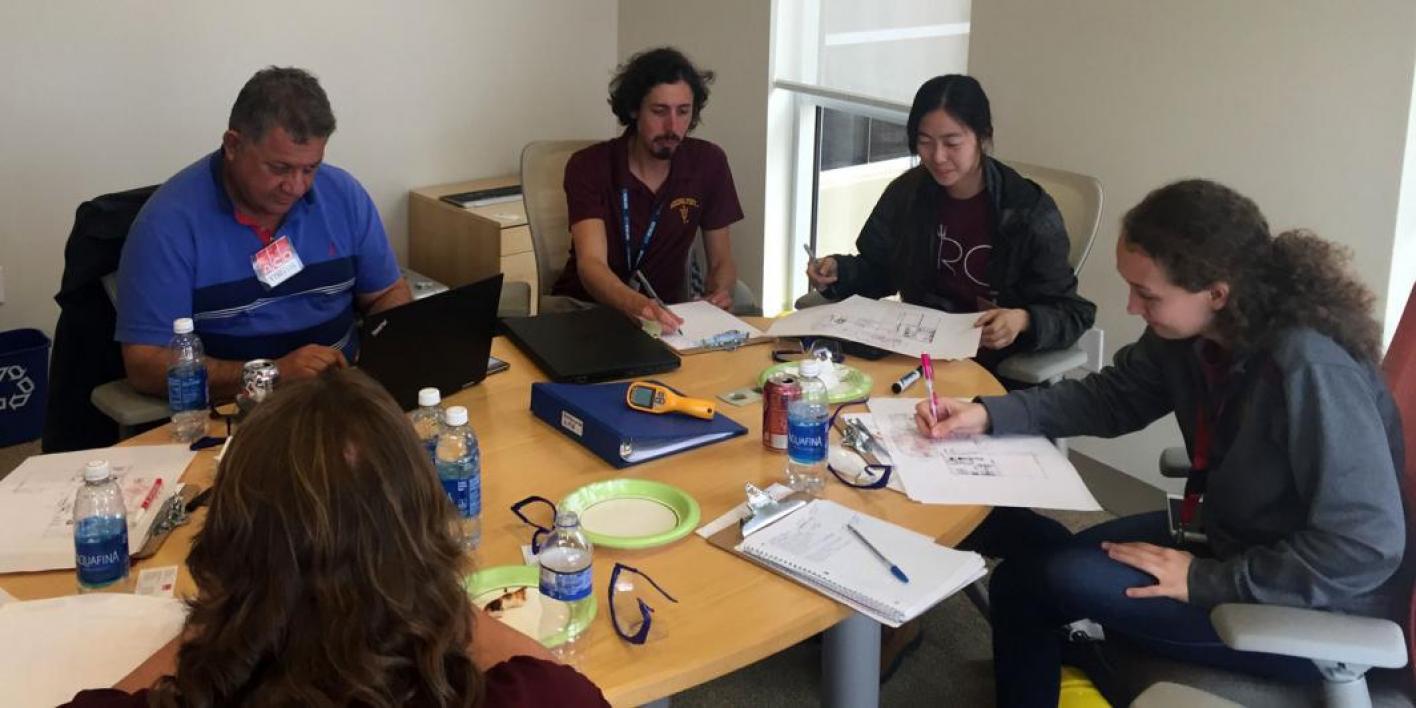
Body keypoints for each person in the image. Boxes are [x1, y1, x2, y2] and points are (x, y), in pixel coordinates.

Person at [915, 180, 1407, 706]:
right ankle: (1079, 666)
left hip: (1307, 602)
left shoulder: (1311, 368)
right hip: (1229, 536)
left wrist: (1208, 581)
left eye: (1147, 294)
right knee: (1037, 566)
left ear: (1217, 293)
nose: (1131, 306)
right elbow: (1113, 398)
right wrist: (989, 414)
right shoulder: (1195, 332)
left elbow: (1363, 547)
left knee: (1034, 584)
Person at [62, 368, 609, 707]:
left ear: (227, 548)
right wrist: (436, 598)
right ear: (422, 544)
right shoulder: (538, 697)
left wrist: (227, 621)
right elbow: (564, 685)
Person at [116, 66, 412, 401]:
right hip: (237, 412)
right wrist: (271, 375)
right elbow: (145, 363)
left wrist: (382, 356)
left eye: (310, 168)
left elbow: (387, 293)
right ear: (233, 145)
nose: (296, 186)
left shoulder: (343, 194)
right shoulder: (167, 224)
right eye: (280, 168)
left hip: (342, 398)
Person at [805, 74, 1095, 375]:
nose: (937, 157)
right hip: (913, 353)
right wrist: (838, 271)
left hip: (990, 366)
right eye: (925, 142)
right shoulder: (909, 192)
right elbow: (881, 271)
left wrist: (1022, 320)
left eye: (952, 143)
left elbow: (1073, 313)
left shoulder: (1026, 210)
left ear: (983, 137)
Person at [551, 46, 744, 333]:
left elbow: (722, 261)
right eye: (659, 111)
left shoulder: (709, 162)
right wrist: (638, 306)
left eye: (683, 112)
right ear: (633, 109)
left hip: (669, 317)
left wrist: (719, 292)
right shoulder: (589, 165)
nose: (672, 126)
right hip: (588, 311)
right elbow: (591, 265)